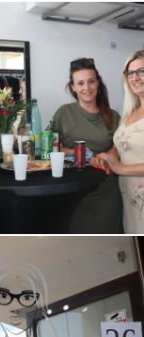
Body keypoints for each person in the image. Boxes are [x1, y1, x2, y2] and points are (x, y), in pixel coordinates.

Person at [52, 57, 122, 234]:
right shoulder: (63, 112)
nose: (87, 88)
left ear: (98, 83)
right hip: (72, 191)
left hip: (106, 191)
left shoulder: (113, 116)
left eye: (91, 81)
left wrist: (107, 158)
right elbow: (49, 147)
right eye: (80, 83)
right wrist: (84, 155)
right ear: (73, 87)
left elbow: (119, 148)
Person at [93, 51, 144, 233]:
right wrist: (108, 158)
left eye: (141, 71)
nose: (135, 77)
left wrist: (121, 169)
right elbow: (119, 145)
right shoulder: (131, 110)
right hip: (131, 200)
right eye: (130, 73)